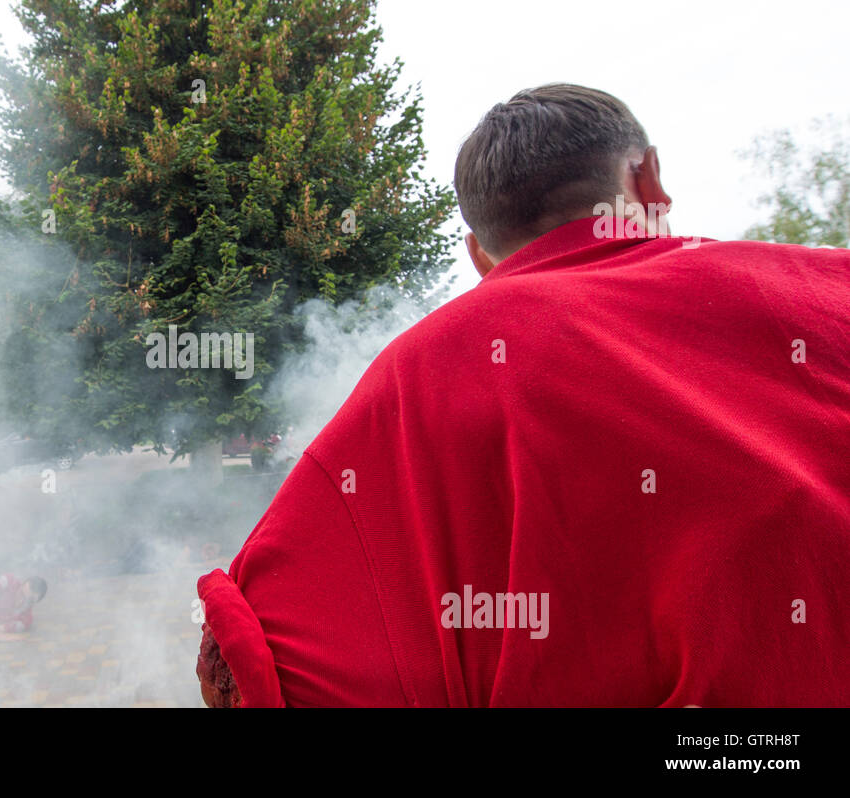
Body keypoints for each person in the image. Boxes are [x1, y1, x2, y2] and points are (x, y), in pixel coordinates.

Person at [195, 84, 850, 707]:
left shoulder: (416, 376)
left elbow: (261, 654)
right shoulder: (826, 292)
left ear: (480, 255)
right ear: (648, 183)